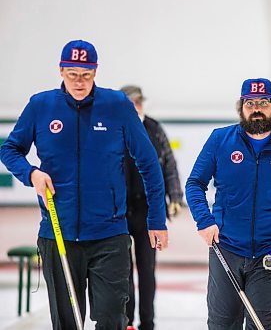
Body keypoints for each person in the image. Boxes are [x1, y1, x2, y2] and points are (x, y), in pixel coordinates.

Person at [0, 40, 168, 330]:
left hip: (109, 237)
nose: (79, 81)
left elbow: (150, 164)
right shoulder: (41, 105)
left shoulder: (116, 106)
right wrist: (31, 174)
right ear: (61, 71)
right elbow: (9, 149)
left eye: (86, 74)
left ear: (95, 71)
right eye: (73, 73)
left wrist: (157, 220)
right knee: (66, 323)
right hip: (58, 233)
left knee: (112, 320)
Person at [185, 78, 271, 330]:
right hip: (226, 248)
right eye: (250, 103)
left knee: (263, 326)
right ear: (241, 107)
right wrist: (204, 220)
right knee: (223, 325)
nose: (256, 108)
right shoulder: (220, 140)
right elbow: (194, 183)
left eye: (263, 103)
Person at [121, 85, 183, 330]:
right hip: (120, 211)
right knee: (122, 270)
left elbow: (169, 164)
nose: (136, 106)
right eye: (130, 102)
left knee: (147, 270)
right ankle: (126, 321)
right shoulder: (114, 128)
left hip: (149, 210)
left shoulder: (154, 129)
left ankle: (148, 322)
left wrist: (175, 197)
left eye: (138, 101)